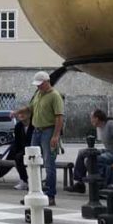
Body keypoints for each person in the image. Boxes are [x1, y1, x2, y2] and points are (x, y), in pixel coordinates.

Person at [66, 109, 113, 193]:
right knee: (82, 153)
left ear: (97, 118)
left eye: (91, 118)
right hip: (109, 151)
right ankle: (80, 183)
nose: (90, 120)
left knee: (92, 160)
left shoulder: (111, 125)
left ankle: (100, 185)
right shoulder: (100, 128)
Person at [30, 71, 64, 206]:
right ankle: (35, 192)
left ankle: (50, 195)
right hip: (36, 130)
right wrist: (18, 113)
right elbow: (31, 108)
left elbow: (59, 117)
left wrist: (55, 136)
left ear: (46, 82)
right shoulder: (39, 94)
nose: (38, 87)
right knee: (33, 162)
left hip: (48, 131)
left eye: (40, 84)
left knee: (49, 163)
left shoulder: (55, 96)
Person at [8, 106, 34, 191]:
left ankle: (29, 181)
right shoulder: (18, 126)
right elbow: (17, 141)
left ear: (29, 114)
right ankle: (24, 180)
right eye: (20, 113)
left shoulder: (34, 125)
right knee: (17, 156)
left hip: (33, 149)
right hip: (22, 150)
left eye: (24, 113)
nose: (21, 115)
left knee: (20, 157)